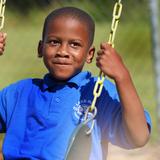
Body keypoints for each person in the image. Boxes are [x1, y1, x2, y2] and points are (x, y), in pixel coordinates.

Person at [0, 6, 151, 160]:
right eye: (54, 42)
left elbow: (139, 137)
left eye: (74, 45)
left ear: (89, 54)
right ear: (40, 48)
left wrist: (122, 76)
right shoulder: (19, 93)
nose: (62, 51)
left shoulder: (97, 93)